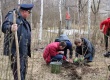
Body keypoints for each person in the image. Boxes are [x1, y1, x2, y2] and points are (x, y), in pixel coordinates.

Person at [2, 4, 34, 80]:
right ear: (24, 11)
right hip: (16, 52)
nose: (29, 14)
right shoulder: (13, 16)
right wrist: (10, 28)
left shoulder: (24, 20)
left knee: (23, 72)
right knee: (18, 73)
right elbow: (4, 27)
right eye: (29, 12)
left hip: (23, 52)